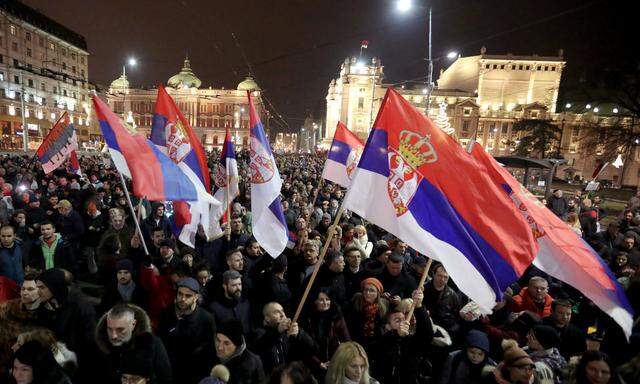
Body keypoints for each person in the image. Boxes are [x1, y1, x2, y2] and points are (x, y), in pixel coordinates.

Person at [35, 268, 96, 379]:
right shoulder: (46, 305)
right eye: (37, 287)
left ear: (55, 287)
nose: (38, 292)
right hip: (56, 360)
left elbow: (89, 343)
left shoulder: (81, 307)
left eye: (42, 287)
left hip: (79, 366)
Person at [157, 277, 217, 384]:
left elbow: (211, 351)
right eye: (180, 294)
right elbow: (160, 345)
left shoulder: (206, 319)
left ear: (196, 297)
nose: (182, 298)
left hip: (196, 375)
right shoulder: (166, 314)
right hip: (170, 373)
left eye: (188, 295)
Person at [368, 288, 434, 384]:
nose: (403, 322)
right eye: (397, 320)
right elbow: (379, 349)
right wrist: (396, 334)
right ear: (388, 325)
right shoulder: (381, 340)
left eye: (404, 319)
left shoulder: (411, 341)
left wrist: (419, 307)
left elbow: (427, 335)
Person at [94, 303, 172, 384]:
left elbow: (165, 378)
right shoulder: (101, 346)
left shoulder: (152, 344)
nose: (113, 336)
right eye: (110, 329)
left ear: (133, 324)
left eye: (120, 329)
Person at [252, 302, 316, 374]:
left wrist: (299, 334)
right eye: (277, 312)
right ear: (267, 318)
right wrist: (278, 331)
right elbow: (261, 345)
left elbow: (313, 348)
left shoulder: (287, 333)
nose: (282, 314)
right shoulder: (259, 332)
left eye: (282, 311)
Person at [300, 287, 351, 378]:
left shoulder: (337, 317)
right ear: (315, 301)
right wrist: (318, 363)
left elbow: (347, 341)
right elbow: (305, 346)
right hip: (314, 365)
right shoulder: (308, 319)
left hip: (335, 363)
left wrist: (335, 360)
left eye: (327, 299)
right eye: (321, 300)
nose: (325, 303)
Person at [211, 318, 265, 384]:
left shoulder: (254, 363)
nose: (220, 347)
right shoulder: (206, 357)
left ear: (237, 345)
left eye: (226, 343)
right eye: (218, 340)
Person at [423, 263, 463, 340]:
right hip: (425, 332)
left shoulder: (453, 296)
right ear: (433, 274)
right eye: (439, 275)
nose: (442, 279)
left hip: (443, 335)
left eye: (445, 277)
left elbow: (457, 319)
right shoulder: (423, 289)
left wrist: (449, 333)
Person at [346, 278, 389, 347]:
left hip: (377, 343)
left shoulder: (384, 306)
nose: (367, 293)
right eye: (366, 289)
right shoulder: (356, 302)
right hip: (357, 342)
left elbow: (384, 325)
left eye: (372, 290)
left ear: (377, 293)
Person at [489, 340, 554, 384]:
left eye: (530, 368)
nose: (528, 373)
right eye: (522, 368)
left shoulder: (536, 380)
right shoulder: (491, 380)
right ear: (509, 367)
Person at [208, 270, 251, 335]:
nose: (238, 288)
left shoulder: (245, 303)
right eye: (234, 285)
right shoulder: (214, 308)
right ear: (225, 286)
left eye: (239, 284)